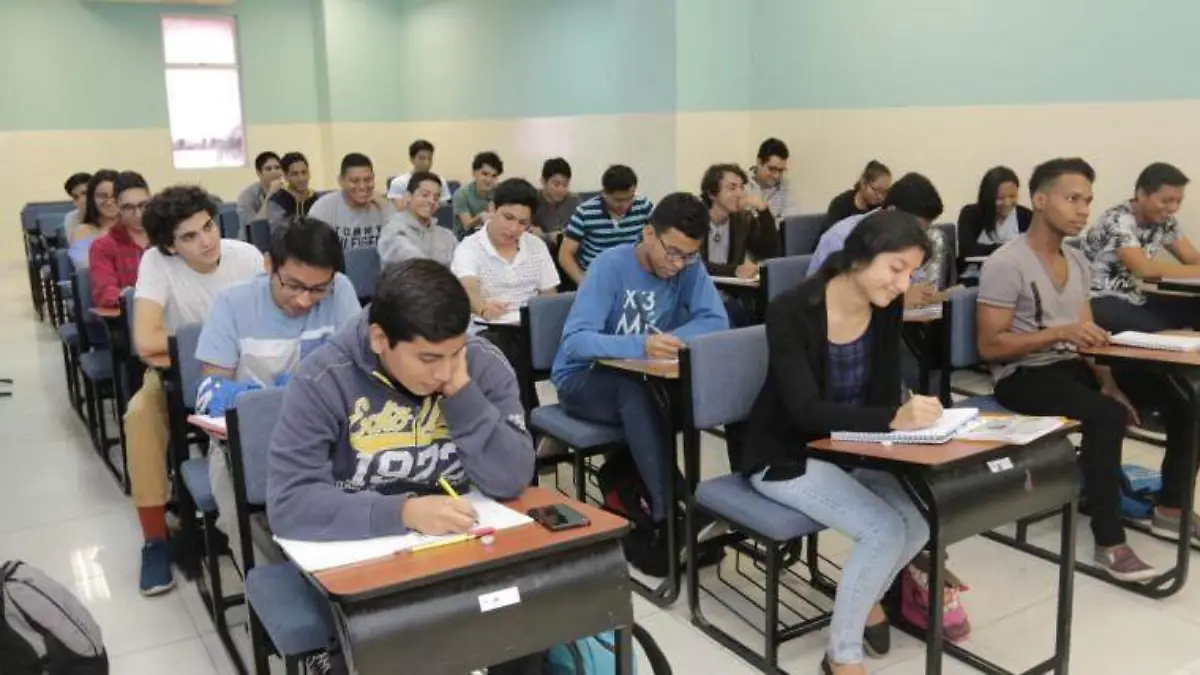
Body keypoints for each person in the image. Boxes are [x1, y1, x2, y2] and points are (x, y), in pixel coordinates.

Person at [266, 259, 541, 675]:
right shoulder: (323, 378)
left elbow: (512, 478)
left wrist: (462, 393)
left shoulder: (481, 364)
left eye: (455, 353)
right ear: (380, 339)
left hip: (466, 546)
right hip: (367, 555)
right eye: (428, 358)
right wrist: (404, 512)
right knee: (403, 645)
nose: (444, 371)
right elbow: (290, 502)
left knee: (530, 626)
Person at [742, 210, 936, 675]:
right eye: (896, 268)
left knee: (920, 518)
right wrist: (892, 419)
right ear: (859, 258)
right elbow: (803, 411)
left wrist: (916, 426)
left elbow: (885, 394)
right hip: (785, 454)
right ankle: (841, 657)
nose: (904, 284)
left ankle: (862, 600)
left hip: (850, 446)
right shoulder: (791, 309)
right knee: (883, 530)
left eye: (911, 273)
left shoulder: (885, 308)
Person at [977, 157, 1165, 581]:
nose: (1083, 210)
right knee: (1106, 416)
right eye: (1073, 199)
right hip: (1022, 375)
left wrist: (1108, 381)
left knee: (1176, 394)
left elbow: (1086, 336)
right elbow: (990, 346)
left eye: (1088, 201)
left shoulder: (1077, 261)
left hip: (1067, 366)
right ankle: (1109, 542)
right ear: (1040, 200)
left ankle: (1170, 508)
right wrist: (1058, 333)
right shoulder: (1006, 263)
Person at [551, 193, 728, 574]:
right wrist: (641, 344)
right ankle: (669, 517)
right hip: (583, 379)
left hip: (645, 377)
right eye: (672, 252)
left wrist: (672, 339)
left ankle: (690, 508)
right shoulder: (609, 266)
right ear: (648, 233)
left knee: (678, 393)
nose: (678, 264)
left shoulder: (688, 265)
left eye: (689, 256)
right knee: (637, 392)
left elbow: (715, 321)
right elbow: (576, 342)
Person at [194, 217, 361, 565]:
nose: (304, 300)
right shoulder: (233, 304)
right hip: (247, 442)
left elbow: (357, 372)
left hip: (330, 434)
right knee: (243, 525)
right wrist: (265, 402)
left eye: (318, 289)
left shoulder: (340, 290)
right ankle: (269, 585)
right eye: (293, 285)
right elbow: (212, 392)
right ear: (269, 265)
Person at [125, 186, 265, 596]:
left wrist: (202, 345)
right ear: (170, 246)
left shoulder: (246, 256)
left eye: (208, 226)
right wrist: (216, 349)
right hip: (177, 373)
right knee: (139, 416)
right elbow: (146, 340)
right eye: (189, 236)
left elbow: (269, 324)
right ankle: (154, 540)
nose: (206, 240)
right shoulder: (156, 263)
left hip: (246, 373)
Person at [452, 177, 559, 368]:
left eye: (523, 223)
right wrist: (483, 308)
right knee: (502, 346)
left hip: (530, 328)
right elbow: (468, 287)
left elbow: (549, 295)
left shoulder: (536, 246)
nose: (513, 229)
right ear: (492, 209)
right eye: (508, 217)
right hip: (488, 329)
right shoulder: (470, 247)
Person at [1082, 162, 1200, 334]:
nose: (1173, 208)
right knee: (1161, 330)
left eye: (1178, 201)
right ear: (1142, 194)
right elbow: (1143, 269)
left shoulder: (1165, 221)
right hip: (1099, 300)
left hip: (1134, 297)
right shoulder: (1118, 219)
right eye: (1166, 201)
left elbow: (1192, 258)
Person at [809, 173, 945, 309]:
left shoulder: (913, 242)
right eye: (915, 227)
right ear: (892, 212)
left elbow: (913, 286)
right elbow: (829, 303)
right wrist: (899, 304)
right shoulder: (841, 238)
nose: (918, 236)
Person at [698, 163, 781, 326]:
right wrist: (734, 270)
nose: (740, 194)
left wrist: (764, 211)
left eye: (741, 187)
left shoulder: (742, 220)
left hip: (730, 294)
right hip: (699, 293)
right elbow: (694, 264)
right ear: (712, 193)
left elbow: (770, 253)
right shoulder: (695, 220)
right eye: (732, 188)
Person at [557, 165, 654, 286]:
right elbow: (565, 255)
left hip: (634, 277)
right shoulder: (585, 212)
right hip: (598, 278)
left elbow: (660, 238)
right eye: (618, 200)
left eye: (630, 198)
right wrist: (585, 283)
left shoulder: (644, 206)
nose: (625, 205)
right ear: (604, 193)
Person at [956, 166, 1032, 282]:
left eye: (1012, 196)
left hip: (1016, 278)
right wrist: (1010, 248)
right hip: (976, 278)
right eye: (1000, 198)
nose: (1007, 203)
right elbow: (967, 250)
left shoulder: (1026, 216)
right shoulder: (970, 214)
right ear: (987, 197)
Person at [89, 171, 151, 309]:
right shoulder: (102, 246)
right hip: (130, 315)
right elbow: (105, 293)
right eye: (128, 208)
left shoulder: (166, 238)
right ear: (117, 206)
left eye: (143, 205)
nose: (138, 214)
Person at [308, 152, 394, 250]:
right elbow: (313, 250)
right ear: (341, 181)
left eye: (368, 180)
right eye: (354, 181)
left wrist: (386, 206)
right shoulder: (323, 209)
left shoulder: (383, 206)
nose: (362, 186)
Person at [377, 171, 457, 267]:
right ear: (408, 197)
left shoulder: (446, 235)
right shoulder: (392, 232)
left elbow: (461, 262)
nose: (431, 201)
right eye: (425, 195)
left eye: (436, 198)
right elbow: (414, 262)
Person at [824, 161, 892, 232]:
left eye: (884, 192)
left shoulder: (880, 207)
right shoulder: (841, 204)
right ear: (863, 183)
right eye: (876, 190)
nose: (880, 197)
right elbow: (829, 234)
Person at [387, 139, 452, 208]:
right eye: (422, 158)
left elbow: (444, 208)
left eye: (429, 158)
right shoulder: (399, 182)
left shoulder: (440, 180)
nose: (426, 162)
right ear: (412, 159)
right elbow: (399, 209)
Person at [452, 151, 503, 239]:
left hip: (491, 238)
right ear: (474, 173)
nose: (489, 180)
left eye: (494, 176)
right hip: (465, 239)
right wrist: (480, 217)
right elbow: (467, 225)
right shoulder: (461, 194)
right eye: (485, 174)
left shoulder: (499, 191)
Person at [265, 151, 321, 227]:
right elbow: (279, 230)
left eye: (304, 172)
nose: (301, 178)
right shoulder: (277, 201)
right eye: (295, 174)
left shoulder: (318, 199)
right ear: (285, 176)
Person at [745, 138, 795, 221]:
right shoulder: (741, 184)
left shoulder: (785, 186)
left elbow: (790, 222)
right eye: (772, 169)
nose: (776, 176)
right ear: (759, 162)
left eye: (781, 170)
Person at [533, 157, 581, 241]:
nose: (561, 190)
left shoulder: (574, 201)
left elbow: (580, 230)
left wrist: (546, 236)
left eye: (565, 185)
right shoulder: (532, 199)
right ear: (543, 182)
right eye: (556, 184)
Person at [72, 169, 120, 245]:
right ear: (92, 199)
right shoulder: (82, 232)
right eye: (103, 196)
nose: (109, 202)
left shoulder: (134, 228)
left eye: (115, 195)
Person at [235, 151, 283, 225]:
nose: (274, 172)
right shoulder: (246, 196)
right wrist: (270, 195)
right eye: (268, 169)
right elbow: (256, 226)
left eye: (277, 168)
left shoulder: (287, 191)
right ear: (259, 173)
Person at [62, 172, 91, 241]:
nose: (82, 200)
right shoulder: (71, 218)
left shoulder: (111, 215)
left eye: (85, 193)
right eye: (76, 197)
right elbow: (77, 245)